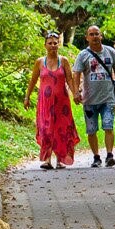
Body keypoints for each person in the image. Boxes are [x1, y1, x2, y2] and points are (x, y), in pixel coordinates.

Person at [24, 32, 80, 170]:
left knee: (62, 128)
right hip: (45, 102)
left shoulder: (64, 61)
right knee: (46, 129)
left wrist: (75, 93)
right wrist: (27, 97)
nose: (53, 45)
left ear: (59, 44)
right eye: (50, 43)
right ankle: (47, 160)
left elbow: (69, 79)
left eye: (55, 43)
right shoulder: (39, 62)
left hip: (62, 103)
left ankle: (61, 159)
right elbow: (33, 80)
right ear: (45, 45)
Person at [75, 24, 115, 167]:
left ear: (101, 36)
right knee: (91, 130)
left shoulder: (110, 52)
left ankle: (109, 155)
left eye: (97, 34)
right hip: (89, 100)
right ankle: (96, 157)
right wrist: (76, 91)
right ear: (87, 38)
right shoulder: (83, 55)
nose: (94, 37)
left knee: (108, 126)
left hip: (108, 98)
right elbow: (76, 74)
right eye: (91, 34)